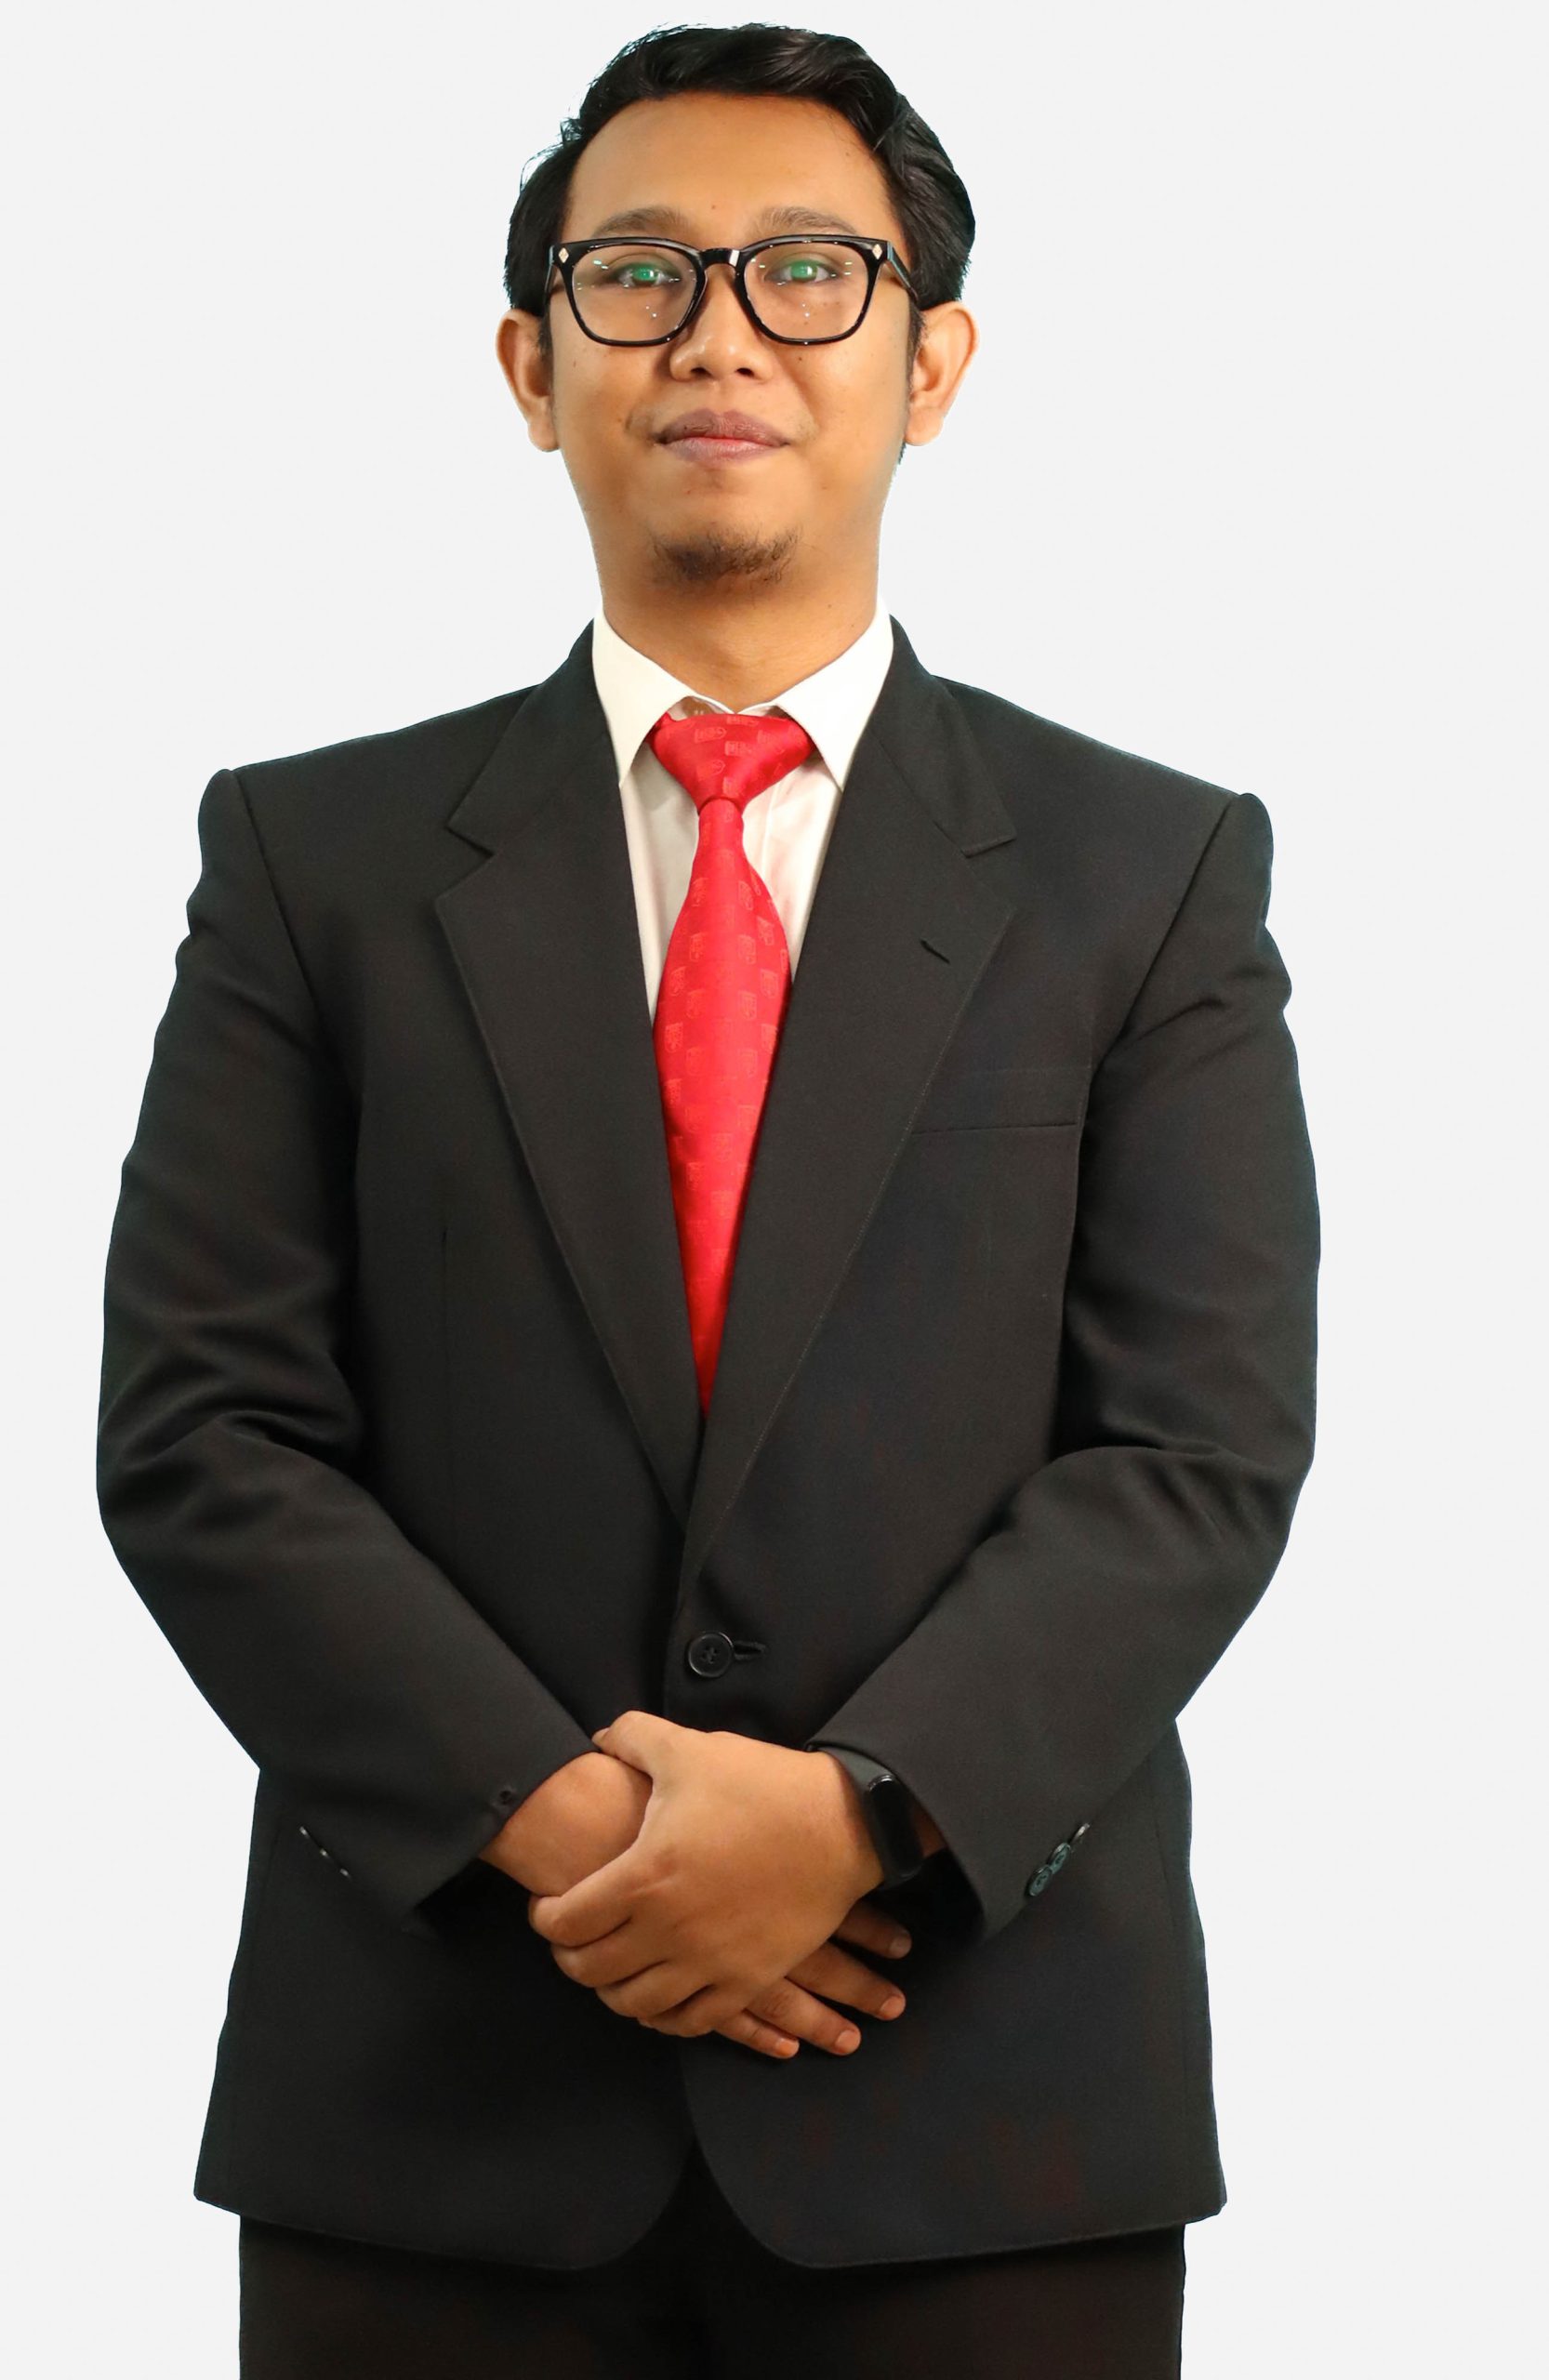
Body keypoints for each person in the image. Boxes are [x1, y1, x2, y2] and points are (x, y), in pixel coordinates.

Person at [96, 22, 1319, 2377]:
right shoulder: (310, 861)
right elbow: (202, 1433)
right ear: (529, 366)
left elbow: (1192, 1449)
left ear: (931, 363)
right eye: (639, 274)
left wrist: (856, 1814)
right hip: (436, 2103)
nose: (719, 334)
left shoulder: (1144, 870)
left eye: (805, 271)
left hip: (975, 2107)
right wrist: (573, 1827)